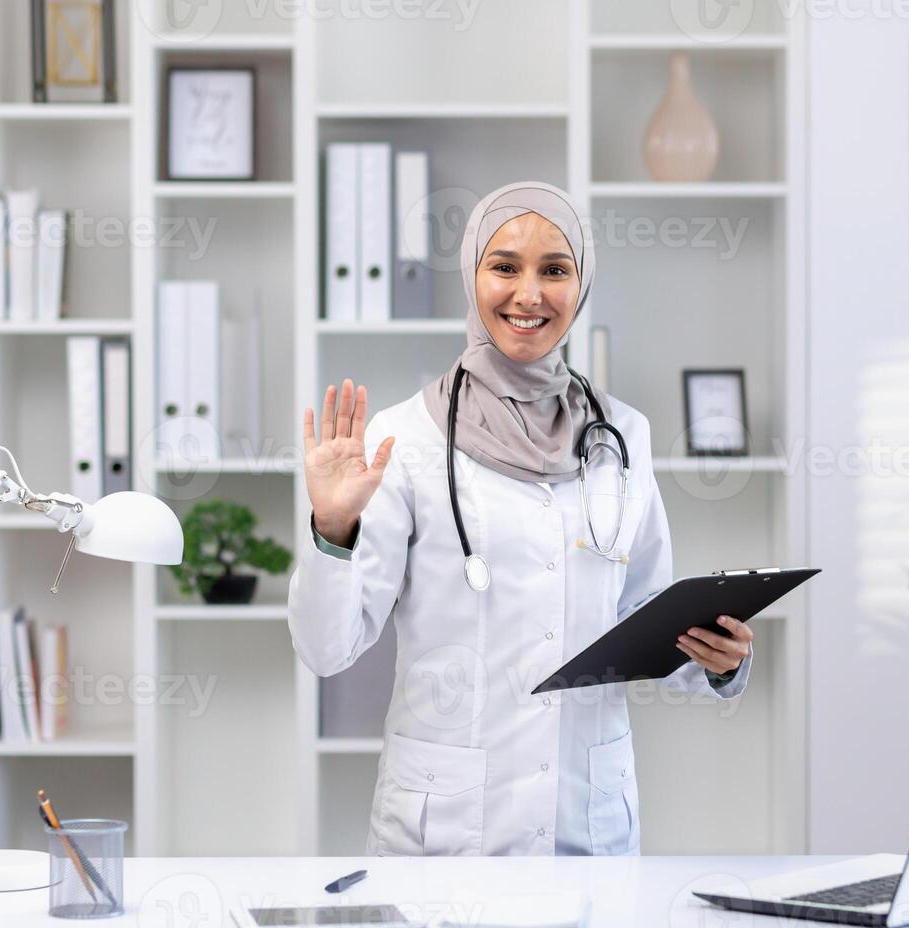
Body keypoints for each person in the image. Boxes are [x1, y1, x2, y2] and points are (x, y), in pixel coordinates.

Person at [288, 181, 756, 857]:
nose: (529, 295)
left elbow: (648, 614)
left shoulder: (622, 434)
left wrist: (719, 661)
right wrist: (332, 531)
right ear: (472, 276)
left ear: (582, 282)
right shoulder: (406, 439)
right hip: (446, 831)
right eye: (504, 266)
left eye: (555, 270)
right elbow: (325, 650)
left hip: (584, 819)